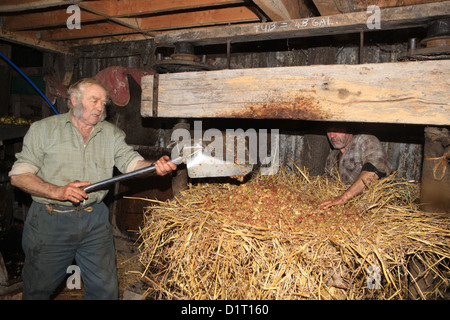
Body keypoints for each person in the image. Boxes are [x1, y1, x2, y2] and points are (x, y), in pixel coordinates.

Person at [9, 78, 177, 299]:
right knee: (38, 289)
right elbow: (19, 176)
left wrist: (154, 167)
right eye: (94, 100)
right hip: (51, 220)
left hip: (94, 219)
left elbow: (132, 163)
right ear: (74, 100)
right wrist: (56, 191)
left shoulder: (111, 134)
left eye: (104, 102)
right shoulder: (43, 130)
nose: (100, 107)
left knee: (105, 290)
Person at [319, 127, 392, 209]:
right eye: (329, 131)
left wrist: (344, 197)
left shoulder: (364, 140)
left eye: (337, 130)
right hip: (350, 208)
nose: (332, 136)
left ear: (349, 129)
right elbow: (331, 187)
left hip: (375, 206)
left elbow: (374, 171)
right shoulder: (332, 157)